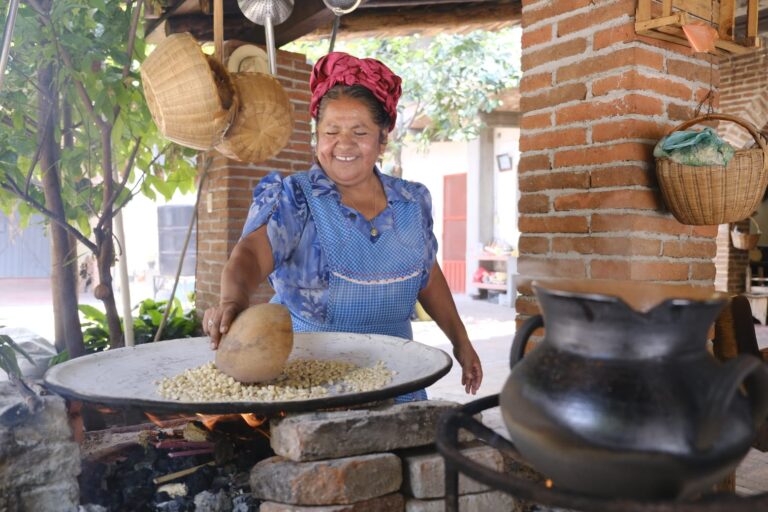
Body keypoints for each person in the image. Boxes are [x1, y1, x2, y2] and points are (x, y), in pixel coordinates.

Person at [203, 51, 482, 401]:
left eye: (360, 132)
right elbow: (250, 255)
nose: (344, 144)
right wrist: (232, 299)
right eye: (331, 131)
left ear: (383, 138)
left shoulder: (412, 203)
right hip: (309, 383)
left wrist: (462, 341)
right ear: (317, 136)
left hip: (398, 379)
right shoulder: (296, 198)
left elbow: (428, 276)